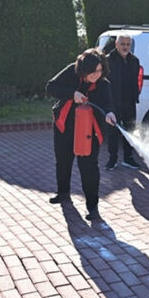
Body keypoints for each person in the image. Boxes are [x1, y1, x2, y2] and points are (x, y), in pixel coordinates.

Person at [47, 48, 117, 220]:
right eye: (93, 71)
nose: (96, 75)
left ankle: (92, 207)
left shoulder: (104, 84)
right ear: (84, 69)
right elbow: (51, 87)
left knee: (89, 168)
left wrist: (109, 113)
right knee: (63, 161)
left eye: (100, 70)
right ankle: (63, 193)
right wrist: (72, 94)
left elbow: (108, 104)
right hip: (64, 127)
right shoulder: (72, 71)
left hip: (88, 132)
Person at [105, 34, 142, 170]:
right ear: (117, 44)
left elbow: (137, 80)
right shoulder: (108, 60)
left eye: (128, 44)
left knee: (130, 130)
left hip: (129, 102)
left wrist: (136, 96)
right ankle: (112, 159)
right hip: (113, 102)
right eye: (122, 44)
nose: (125, 47)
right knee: (112, 132)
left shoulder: (135, 61)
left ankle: (128, 158)